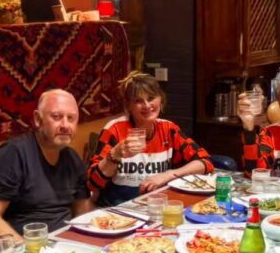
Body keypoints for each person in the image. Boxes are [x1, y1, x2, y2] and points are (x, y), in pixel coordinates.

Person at [0, 89, 93, 253]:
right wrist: (28, 252)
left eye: (71, 118)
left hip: (61, 249)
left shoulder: (72, 158)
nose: (65, 125)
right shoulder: (11, 155)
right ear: (37, 119)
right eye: (56, 117)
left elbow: (83, 212)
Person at [88, 71, 213, 206]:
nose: (147, 105)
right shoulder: (114, 129)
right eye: (138, 101)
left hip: (156, 206)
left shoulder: (169, 129)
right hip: (118, 208)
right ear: (129, 105)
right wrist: (115, 155)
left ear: (161, 99)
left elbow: (205, 163)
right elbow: (92, 183)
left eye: (151, 98)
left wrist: (168, 174)